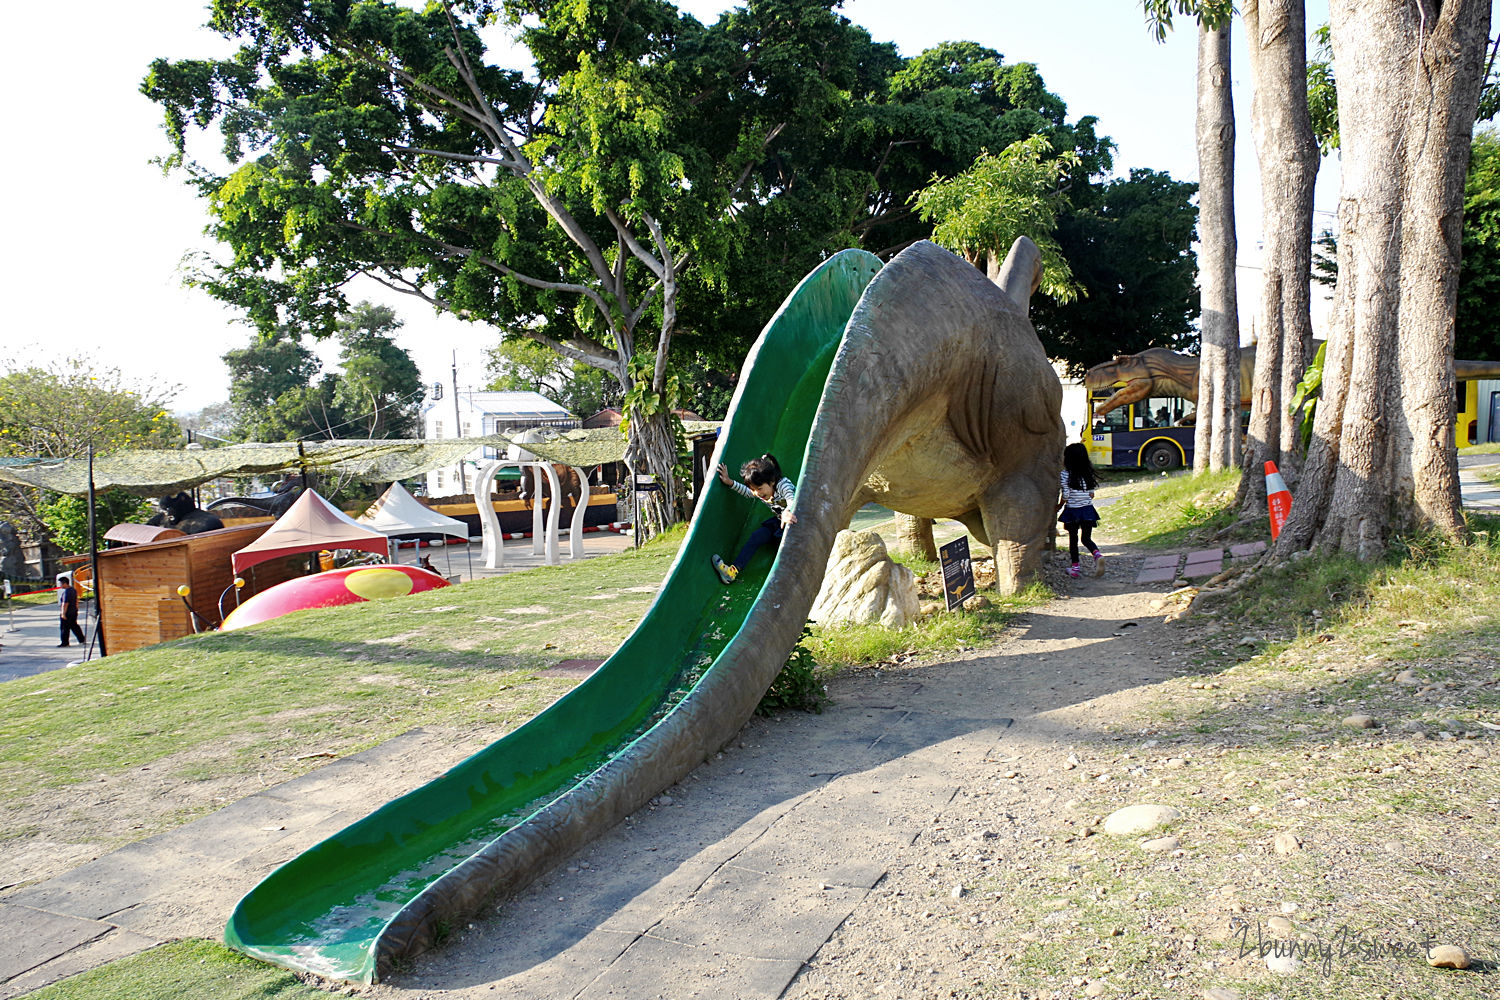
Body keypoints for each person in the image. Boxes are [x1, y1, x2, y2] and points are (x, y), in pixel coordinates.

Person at [710, 454, 797, 585]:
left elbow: (792, 498)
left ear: (772, 481)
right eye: (754, 489)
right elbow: (747, 492)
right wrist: (730, 482)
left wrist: (787, 511)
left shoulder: (782, 484)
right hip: (779, 522)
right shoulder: (760, 491)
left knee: (784, 543)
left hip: (795, 521)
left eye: (759, 489)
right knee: (756, 536)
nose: (757, 493)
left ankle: (787, 573)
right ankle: (732, 571)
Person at [1056, 443, 1105, 579]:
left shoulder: (1065, 474)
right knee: (1086, 538)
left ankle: (1075, 568)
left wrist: (1059, 506)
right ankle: (1097, 555)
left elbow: (1065, 495)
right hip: (1088, 511)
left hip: (1073, 511)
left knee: (1073, 540)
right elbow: (1091, 495)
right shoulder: (1088, 473)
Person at [57, 575, 85, 647]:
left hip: (68, 612)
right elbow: (76, 600)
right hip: (73, 611)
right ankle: (81, 639)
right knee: (74, 626)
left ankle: (65, 643)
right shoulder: (73, 590)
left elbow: (65, 603)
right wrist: (76, 609)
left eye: (61, 583)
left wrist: (63, 613)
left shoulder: (67, 592)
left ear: (65, 583)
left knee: (64, 628)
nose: (60, 585)